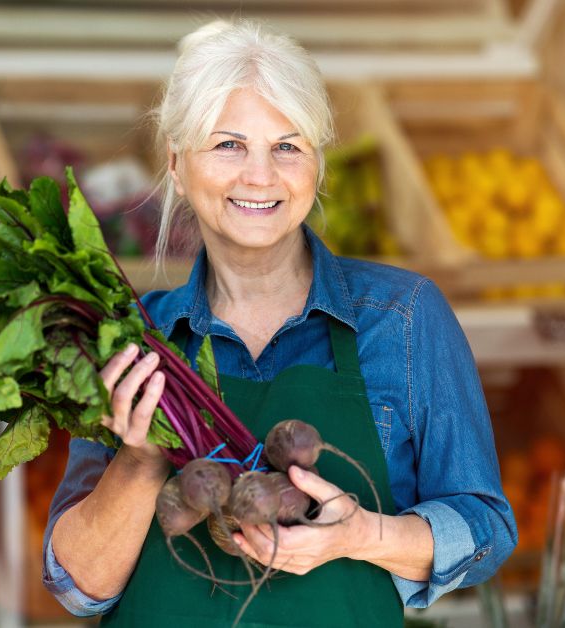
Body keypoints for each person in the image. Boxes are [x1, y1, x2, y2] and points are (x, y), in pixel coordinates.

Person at [43, 19, 516, 627]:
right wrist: (137, 461)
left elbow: (487, 527)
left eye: (288, 146)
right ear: (178, 167)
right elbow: (79, 588)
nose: (260, 176)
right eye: (228, 145)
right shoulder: (133, 340)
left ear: (317, 165)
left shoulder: (403, 317)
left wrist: (359, 535)